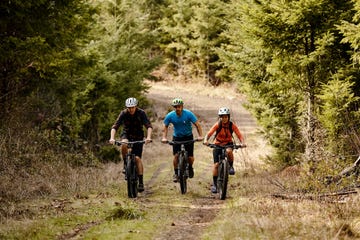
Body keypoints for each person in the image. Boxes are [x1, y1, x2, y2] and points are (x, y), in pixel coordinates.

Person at [109, 97, 153, 192]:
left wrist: (148, 137)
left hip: (138, 136)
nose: (131, 109)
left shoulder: (141, 113)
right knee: (124, 143)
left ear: (136, 106)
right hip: (126, 134)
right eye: (129, 108)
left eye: (132, 107)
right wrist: (112, 138)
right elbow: (115, 126)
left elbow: (148, 126)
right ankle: (125, 164)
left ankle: (140, 182)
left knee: (137, 159)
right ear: (126, 107)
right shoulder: (124, 113)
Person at [203, 107, 246, 193]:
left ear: (228, 117)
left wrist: (242, 142)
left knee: (229, 151)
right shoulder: (217, 125)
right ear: (220, 117)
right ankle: (215, 185)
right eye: (222, 117)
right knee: (216, 165)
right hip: (217, 144)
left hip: (228, 143)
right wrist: (205, 140)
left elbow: (239, 135)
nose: (224, 118)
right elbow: (209, 133)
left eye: (226, 117)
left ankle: (230, 166)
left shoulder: (231, 125)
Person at [161, 98, 204, 182]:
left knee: (190, 157)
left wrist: (200, 136)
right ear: (174, 107)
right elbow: (165, 126)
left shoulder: (188, 114)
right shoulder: (170, 115)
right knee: (176, 156)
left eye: (179, 106)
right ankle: (176, 173)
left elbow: (197, 124)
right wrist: (164, 137)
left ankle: (190, 167)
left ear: (182, 106)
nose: (177, 108)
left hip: (188, 136)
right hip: (177, 137)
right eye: (176, 107)